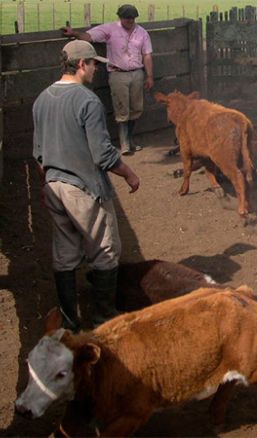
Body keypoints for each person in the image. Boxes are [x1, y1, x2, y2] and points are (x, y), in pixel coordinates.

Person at [33, 40, 141, 331]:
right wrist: (129, 173)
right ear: (81, 64)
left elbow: (39, 153)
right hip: (83, 188)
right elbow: (102, 154)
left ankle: (70, 321)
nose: (97, 69)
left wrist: (47, 185)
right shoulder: (87, 101)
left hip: (55, 186)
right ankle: (103, 317)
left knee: (65, 252)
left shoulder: (42, 99)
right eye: (94, 63)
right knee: (105, 249)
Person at [62, 4, 154, 155]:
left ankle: (130, 140)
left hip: (137, 73)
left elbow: (147, 55)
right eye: (126, 17)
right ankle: (124, 143)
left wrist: (149, 75)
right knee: (121, 108)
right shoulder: (110, 29)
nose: (129, 20)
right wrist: (74, 33)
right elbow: (89, 37)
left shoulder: (142, 33)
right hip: (118, 74)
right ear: (120, 17)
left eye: (132, 17)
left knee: (136, 108)